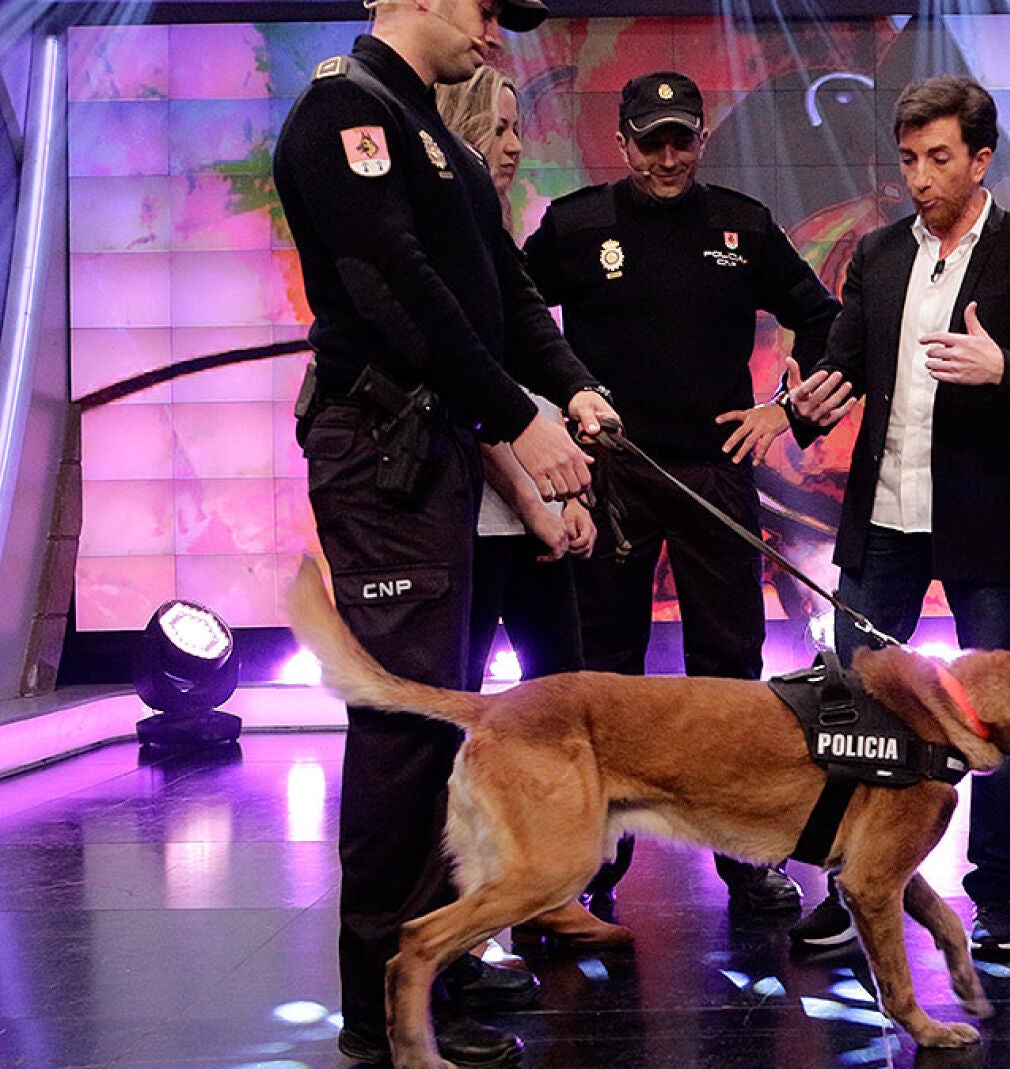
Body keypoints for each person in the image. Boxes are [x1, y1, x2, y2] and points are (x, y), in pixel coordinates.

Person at [272, 0, 619, 1064]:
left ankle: (439, 972)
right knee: (404, 728)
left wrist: (571, 385)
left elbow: (503, 295)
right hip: (385, 453)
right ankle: (381, 1017)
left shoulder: (429, 136)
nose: (496, 28)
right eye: (483, 7)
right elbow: (399, 294)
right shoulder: (346, 113)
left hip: (433, 455)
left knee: (445, 721)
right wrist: (519, 416)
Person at [521, 70, 842, 914]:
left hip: (712, 474)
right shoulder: (576, 225)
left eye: (682, 139)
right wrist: (558, 415)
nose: (667, 156)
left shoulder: (741, 224)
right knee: (606, 669)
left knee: (730, 669)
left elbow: (827, 317)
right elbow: (513, 321)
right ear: (623, 141)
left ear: (701, 140)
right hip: (611, 475)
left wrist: (783, 412)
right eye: (651, 140)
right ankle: (591, 864)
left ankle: (745, 854)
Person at [785, 75, 1010, 960]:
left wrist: (1002, 370)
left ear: (981, 159)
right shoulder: (876, 256)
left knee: (1004, 713)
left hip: (983, 517)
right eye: (909, 158)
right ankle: (844, 884)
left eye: (938, 157)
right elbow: (837, 366)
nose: (920, 176)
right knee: (849, 704)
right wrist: (799, 405)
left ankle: (998, 893)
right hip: (884, 517)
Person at [435, 64, 634, 951]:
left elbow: (529, 374)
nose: (517, 145)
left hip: (536, 518)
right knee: (467, 710)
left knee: (562, 701)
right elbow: (466, 393)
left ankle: (551, 884)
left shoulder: (498, 239)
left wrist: (573, 490)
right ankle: (473, 916)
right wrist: (535, 494)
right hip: (474, 523)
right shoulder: (440, 237)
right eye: (503, 127)